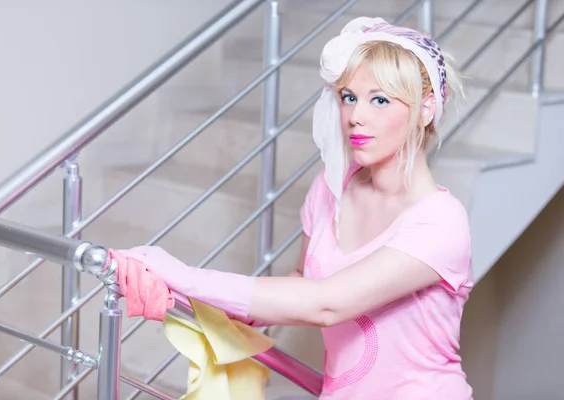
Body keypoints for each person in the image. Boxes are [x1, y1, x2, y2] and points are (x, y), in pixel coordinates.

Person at [115, 16, 474, 400]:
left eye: (380, 100)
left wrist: (184, 275)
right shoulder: (329, 189)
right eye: (348, 96)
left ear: (425, 110)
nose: (356, 116)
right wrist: (186, 298)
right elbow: (304, 282)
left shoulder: (440, 221)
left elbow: (326, 304)